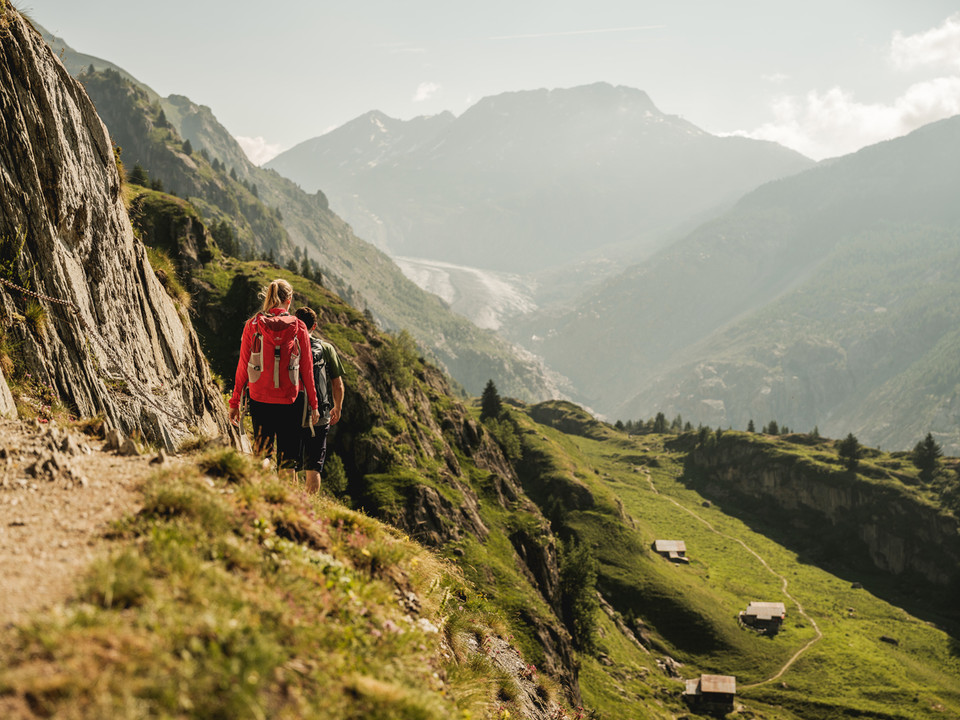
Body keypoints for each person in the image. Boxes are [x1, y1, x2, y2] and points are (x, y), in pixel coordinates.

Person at [229, 279, 320, 475]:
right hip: (290, 400)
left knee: (262, 455)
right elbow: (307, 370)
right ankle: (285, 503)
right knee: (288, 460)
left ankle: (258, 492)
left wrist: (235, 401)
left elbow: (243, 366)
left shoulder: (253, 324)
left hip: (259, 398)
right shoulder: (299, 326)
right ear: (289, 300)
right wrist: (314, 404)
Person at [294, 306, 345, 493]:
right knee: (314, 465)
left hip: (291, 409)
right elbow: (337, 384)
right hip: (320, 414)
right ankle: (309, 506)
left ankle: (287, 503)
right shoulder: (326, 348)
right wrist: (337, 407)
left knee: (290, 461)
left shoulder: (287, 344)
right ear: (314, 325)